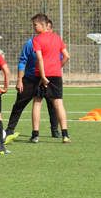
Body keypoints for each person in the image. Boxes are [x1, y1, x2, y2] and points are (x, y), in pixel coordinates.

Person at [4, 31, 58, 141]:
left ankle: (55, 130)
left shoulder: (53, 43)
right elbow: (22, 61)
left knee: (52, 104)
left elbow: (59, 58)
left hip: (46, 78)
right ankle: (10, 130)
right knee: (19, 105)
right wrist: (19, 80)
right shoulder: (30, 43)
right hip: (30, 78)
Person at [30, 13, 71, 143]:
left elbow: (40, 58)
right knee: (58, 103)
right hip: (56, 74)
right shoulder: (57, 38)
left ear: (43, 25)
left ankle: (35, 134)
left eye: (35, 25)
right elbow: (66, 56)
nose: (34, 27)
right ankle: (65, 134)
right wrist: (58, 66)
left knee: (37, 102)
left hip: (42, 75)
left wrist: (42, 76)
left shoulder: (37, 39)